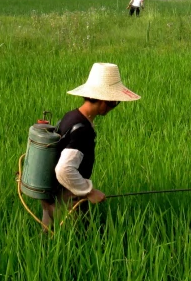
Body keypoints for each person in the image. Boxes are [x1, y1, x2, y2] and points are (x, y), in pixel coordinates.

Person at [40, 63, 141, 228]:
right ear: (103, 100)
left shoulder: (71, 116)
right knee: (75, 243)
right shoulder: (82, 130)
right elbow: (64, 169)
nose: (113, 108)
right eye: (113, 103)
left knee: (50, 237)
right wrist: (90, 192)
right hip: (66, 197)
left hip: (52, 192)